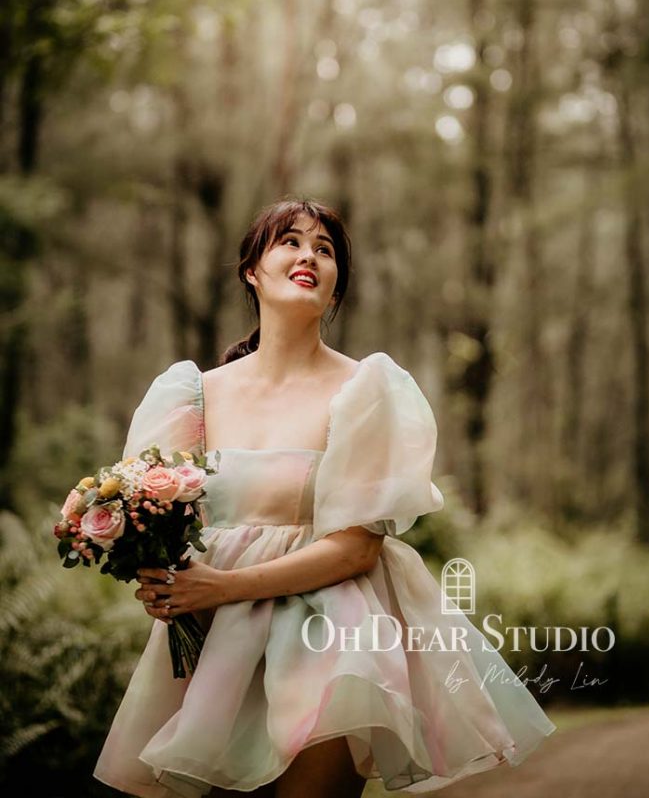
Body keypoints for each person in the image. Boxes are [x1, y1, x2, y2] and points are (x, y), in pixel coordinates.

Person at [93, 197, 556, 798]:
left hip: (327, 638)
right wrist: (165, 580)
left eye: (325, 249)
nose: (309, 255)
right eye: (290, 241)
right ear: (251, 270)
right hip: (209, 639)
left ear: (335, 288)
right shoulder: (191, 395)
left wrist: (223, 586)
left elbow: (356, 550)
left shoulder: (366, 389)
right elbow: (154, 518)